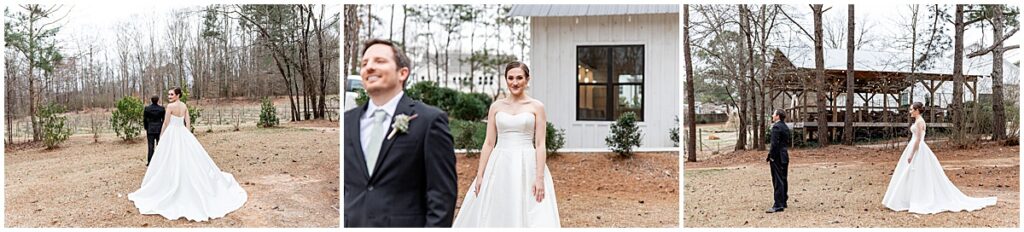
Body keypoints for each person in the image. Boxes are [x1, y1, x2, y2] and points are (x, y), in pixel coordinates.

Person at [343, 39, 457, 227]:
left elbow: (442, 196)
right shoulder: (348, 122)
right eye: (364, 63)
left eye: (379, 61)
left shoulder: (429, 121)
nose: (369, 67)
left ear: (402, 73)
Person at [452, 62, 560, 227]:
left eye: (519, 78)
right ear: (505, 80)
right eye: (510, 78)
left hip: (527, 164)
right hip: (499, 163)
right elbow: (488, 143)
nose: (514, 82)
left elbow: (540, 144)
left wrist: (539, 178)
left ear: (527, 79)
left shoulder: (537, 107)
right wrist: (480, 174)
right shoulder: (496, 106)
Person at [128, 88, 247, 221]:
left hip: (172, 133)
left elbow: (166, 123)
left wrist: (162, 135)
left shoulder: (171, 106)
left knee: (170, 156)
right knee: (183, 156)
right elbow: (188, 122)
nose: (169, 96)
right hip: (182, 132)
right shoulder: (184, 106)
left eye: (172, 94)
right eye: (169, 94)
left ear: (178, 95)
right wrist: (188, 134)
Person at [882, 102, 997, 214]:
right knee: (910, 173)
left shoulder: (919, 122)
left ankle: (915, 199)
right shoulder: (918, 121)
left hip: (918, 148)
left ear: (917, 111)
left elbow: (918, 140)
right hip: (914, 146)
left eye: (912, 109)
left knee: (915, 171)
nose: (910, 111)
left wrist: (911, 154)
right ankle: (906, 198)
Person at [766, 109, 790, 213]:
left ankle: (778, 205)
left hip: (778, 157)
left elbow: (774, 144)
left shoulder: (776, 127)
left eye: (774, 114)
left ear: (778, 116)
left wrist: (771, 156)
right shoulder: (785, 127)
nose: (772, 115)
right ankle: (783, 201)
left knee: (777, 180)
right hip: (784, 155)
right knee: (783, 178)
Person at [143, 95, 165, 166]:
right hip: (159, 129)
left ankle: (150, 162)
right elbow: (163, 119)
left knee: (150, 146)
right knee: (160, 145)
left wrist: (146, 127)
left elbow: (145, 119)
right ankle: (160, 160)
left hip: (150, 129)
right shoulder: (161, 109)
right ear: (158, 100)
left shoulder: (147, 109)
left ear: (151, 100)